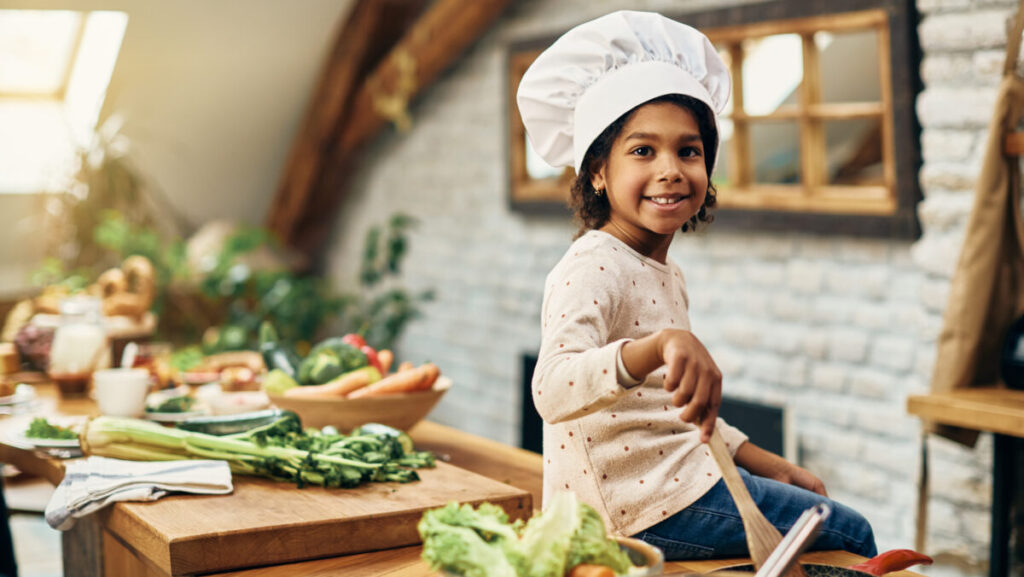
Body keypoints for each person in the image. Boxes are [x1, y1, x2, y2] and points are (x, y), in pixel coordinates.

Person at [517, 10, 877, 560]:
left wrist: (768, 462)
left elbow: (673, 411)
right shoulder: (593, 264)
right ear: (596, 171)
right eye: (642, 151)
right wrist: (657, 346)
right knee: (851, 534)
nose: (671, 169)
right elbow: (552, 388)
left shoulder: (665, 272)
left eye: (689, 151)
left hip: (676, 486)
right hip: (632, 510)